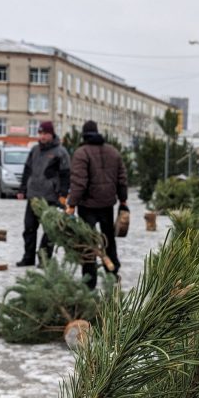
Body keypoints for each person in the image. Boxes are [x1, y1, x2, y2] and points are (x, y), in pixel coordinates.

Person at [65, 119, 128, 289]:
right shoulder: (113, 152)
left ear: (84, 135)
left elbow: (79, 183)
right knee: (108, 239)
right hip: (107, 204)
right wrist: (123, 201)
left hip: (88, 206)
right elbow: (122, 179)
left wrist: (72, 204)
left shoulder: (81, 153)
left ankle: (89, 279)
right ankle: (112, 273)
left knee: (88, 241)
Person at [16, 120, 70, 267]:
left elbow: (66, 175)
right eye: (40, 133)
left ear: (52, 134)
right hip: (33, 196)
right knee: (29, 228)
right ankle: (28, 257)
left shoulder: (60, 152)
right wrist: (22, 189)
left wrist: (63, 195)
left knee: (49, 230)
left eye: (45, 133)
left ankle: (44, 259)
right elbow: (27, 170)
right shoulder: (34, 150)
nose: (42, 136)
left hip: (51, 197)